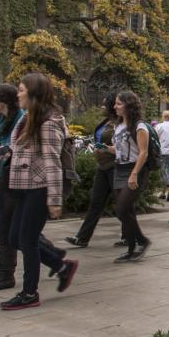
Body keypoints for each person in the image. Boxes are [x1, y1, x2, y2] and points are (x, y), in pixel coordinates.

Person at [0, 73, 78, 310]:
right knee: (15, 237)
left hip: (40, 188)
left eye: (21, 89)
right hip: (23, 187)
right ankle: (62, 265)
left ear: (34, 93)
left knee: (27, 240)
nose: (18, 93)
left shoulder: (49, 122)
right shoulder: (27, 118)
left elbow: (53, 162)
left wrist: (54, 200)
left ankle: (29, 293)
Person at [65, 93, 121, 248]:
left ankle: (132, 236)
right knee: (96, 203)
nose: (101, 107)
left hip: (115, 167)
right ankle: (82, 237)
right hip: (103, 167)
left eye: (104, 104)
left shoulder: (119, 123)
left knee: (122, 204)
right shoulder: (105, 122)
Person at [105, 91, 154, 263]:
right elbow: (120, 148)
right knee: (126, 212)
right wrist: (107, 149)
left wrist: (134, 174)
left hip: (135, 171)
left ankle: (142, 241)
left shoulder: (139, 127)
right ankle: (132, 249)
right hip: (120, 169)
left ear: (128, 105)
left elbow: (143, 152)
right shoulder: (119, 125)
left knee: (122, 209)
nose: (115, 106)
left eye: (118, 104)